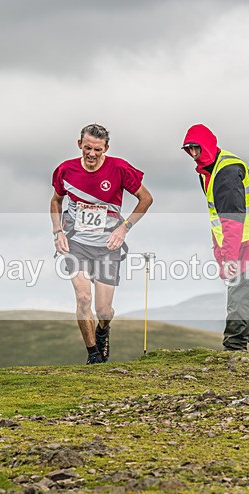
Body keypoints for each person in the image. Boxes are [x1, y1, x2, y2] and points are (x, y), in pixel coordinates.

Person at [50, 124, 153, 364]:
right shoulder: (65, 170)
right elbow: (55, 201)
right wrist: (58, 232)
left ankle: (103, 331)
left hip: (108, 245)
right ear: (80, 145)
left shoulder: (119, 168)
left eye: (97, 149)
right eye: (87, 148)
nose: (92, 153)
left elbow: (146, 199)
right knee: (83, 298)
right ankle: (93, 355)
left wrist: (123, 228)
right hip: (76, 243)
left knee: (104, 311)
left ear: (106, 148)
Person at [181, 124, 249, 353]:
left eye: (197, 148)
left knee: (240, 291)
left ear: (208, 145)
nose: (194, 154)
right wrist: (220, 253)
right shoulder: (210, 171)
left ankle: (234, 347)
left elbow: (232, 221)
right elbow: (218, 218)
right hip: (246, 240)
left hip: (248, 241)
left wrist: (230, 259)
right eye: (189, 149)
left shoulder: (227, 172)